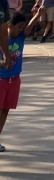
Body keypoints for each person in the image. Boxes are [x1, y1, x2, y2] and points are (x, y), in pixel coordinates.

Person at [0, 11, 36, 152]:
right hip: (1, 79)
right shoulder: (2, 39)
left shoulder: (20, 37)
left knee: (5, 110)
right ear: (9, 25)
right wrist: (2, 63)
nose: (21, 30)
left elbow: (30, 26)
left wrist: (38, 14)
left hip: (14, 80)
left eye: (23, 27)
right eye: (19, 26)